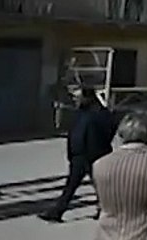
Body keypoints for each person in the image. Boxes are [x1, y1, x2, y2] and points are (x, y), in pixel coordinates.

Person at [42, 88, 116, 223]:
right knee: (71, 186)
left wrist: (100, 147)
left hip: (95, 155)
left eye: (77, 97)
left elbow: (109, 130)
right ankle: (57, 212)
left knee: (101, 185)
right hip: (79, 156)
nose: (75, 100)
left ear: (87, 98)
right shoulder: (80, 113)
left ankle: (105, 210)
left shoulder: (101, 114)